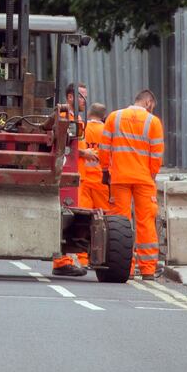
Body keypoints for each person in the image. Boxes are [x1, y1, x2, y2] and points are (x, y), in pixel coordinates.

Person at [97, 89, 165, 280]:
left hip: (119, 178)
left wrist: (105, 170)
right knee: (146, 222)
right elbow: (157, 154)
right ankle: (148, 269)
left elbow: (104, 148)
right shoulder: (153, 122)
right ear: (149, 103)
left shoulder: (114, 117)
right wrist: (151, 175)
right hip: (143, 179)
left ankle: (125, 268)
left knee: (121, 223)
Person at [53, 102, 112, 278]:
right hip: (100, 181)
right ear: (103, 116)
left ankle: (82, 258)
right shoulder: (105, 131)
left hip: (82, 179)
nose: (83, 101)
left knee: (78, 220)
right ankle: (98, 257)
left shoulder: (82, 126)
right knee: (101, 220)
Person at [51, 84, 92, 277]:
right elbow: (66, 145)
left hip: (76, 177)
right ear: (70, 97)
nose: (85, 100)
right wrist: (86, 153)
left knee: (70, 217)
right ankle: (61, 261)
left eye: (85, 97)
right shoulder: (65, 117)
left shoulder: (75, 118)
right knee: (64, 217)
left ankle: (67, 259)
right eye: (82, 96)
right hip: (67, 176)